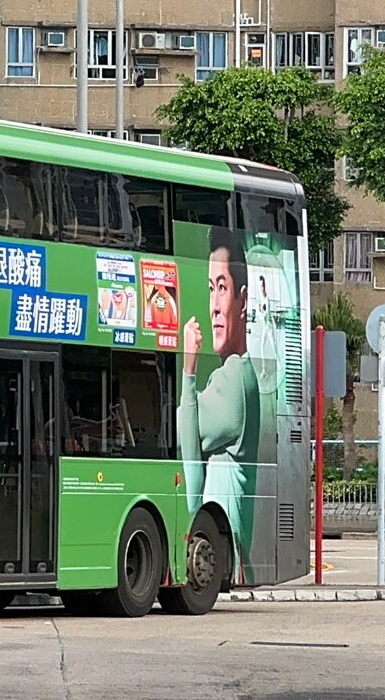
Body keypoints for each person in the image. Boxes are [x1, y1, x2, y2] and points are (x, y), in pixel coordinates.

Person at [178, 228, 261, 583]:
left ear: (242, 300)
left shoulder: (234, 380)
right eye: (211, 288)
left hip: (233, 558)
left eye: (222, 287)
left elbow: (192, 475)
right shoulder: (236, 374)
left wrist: (189, 366)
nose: (213, 305)